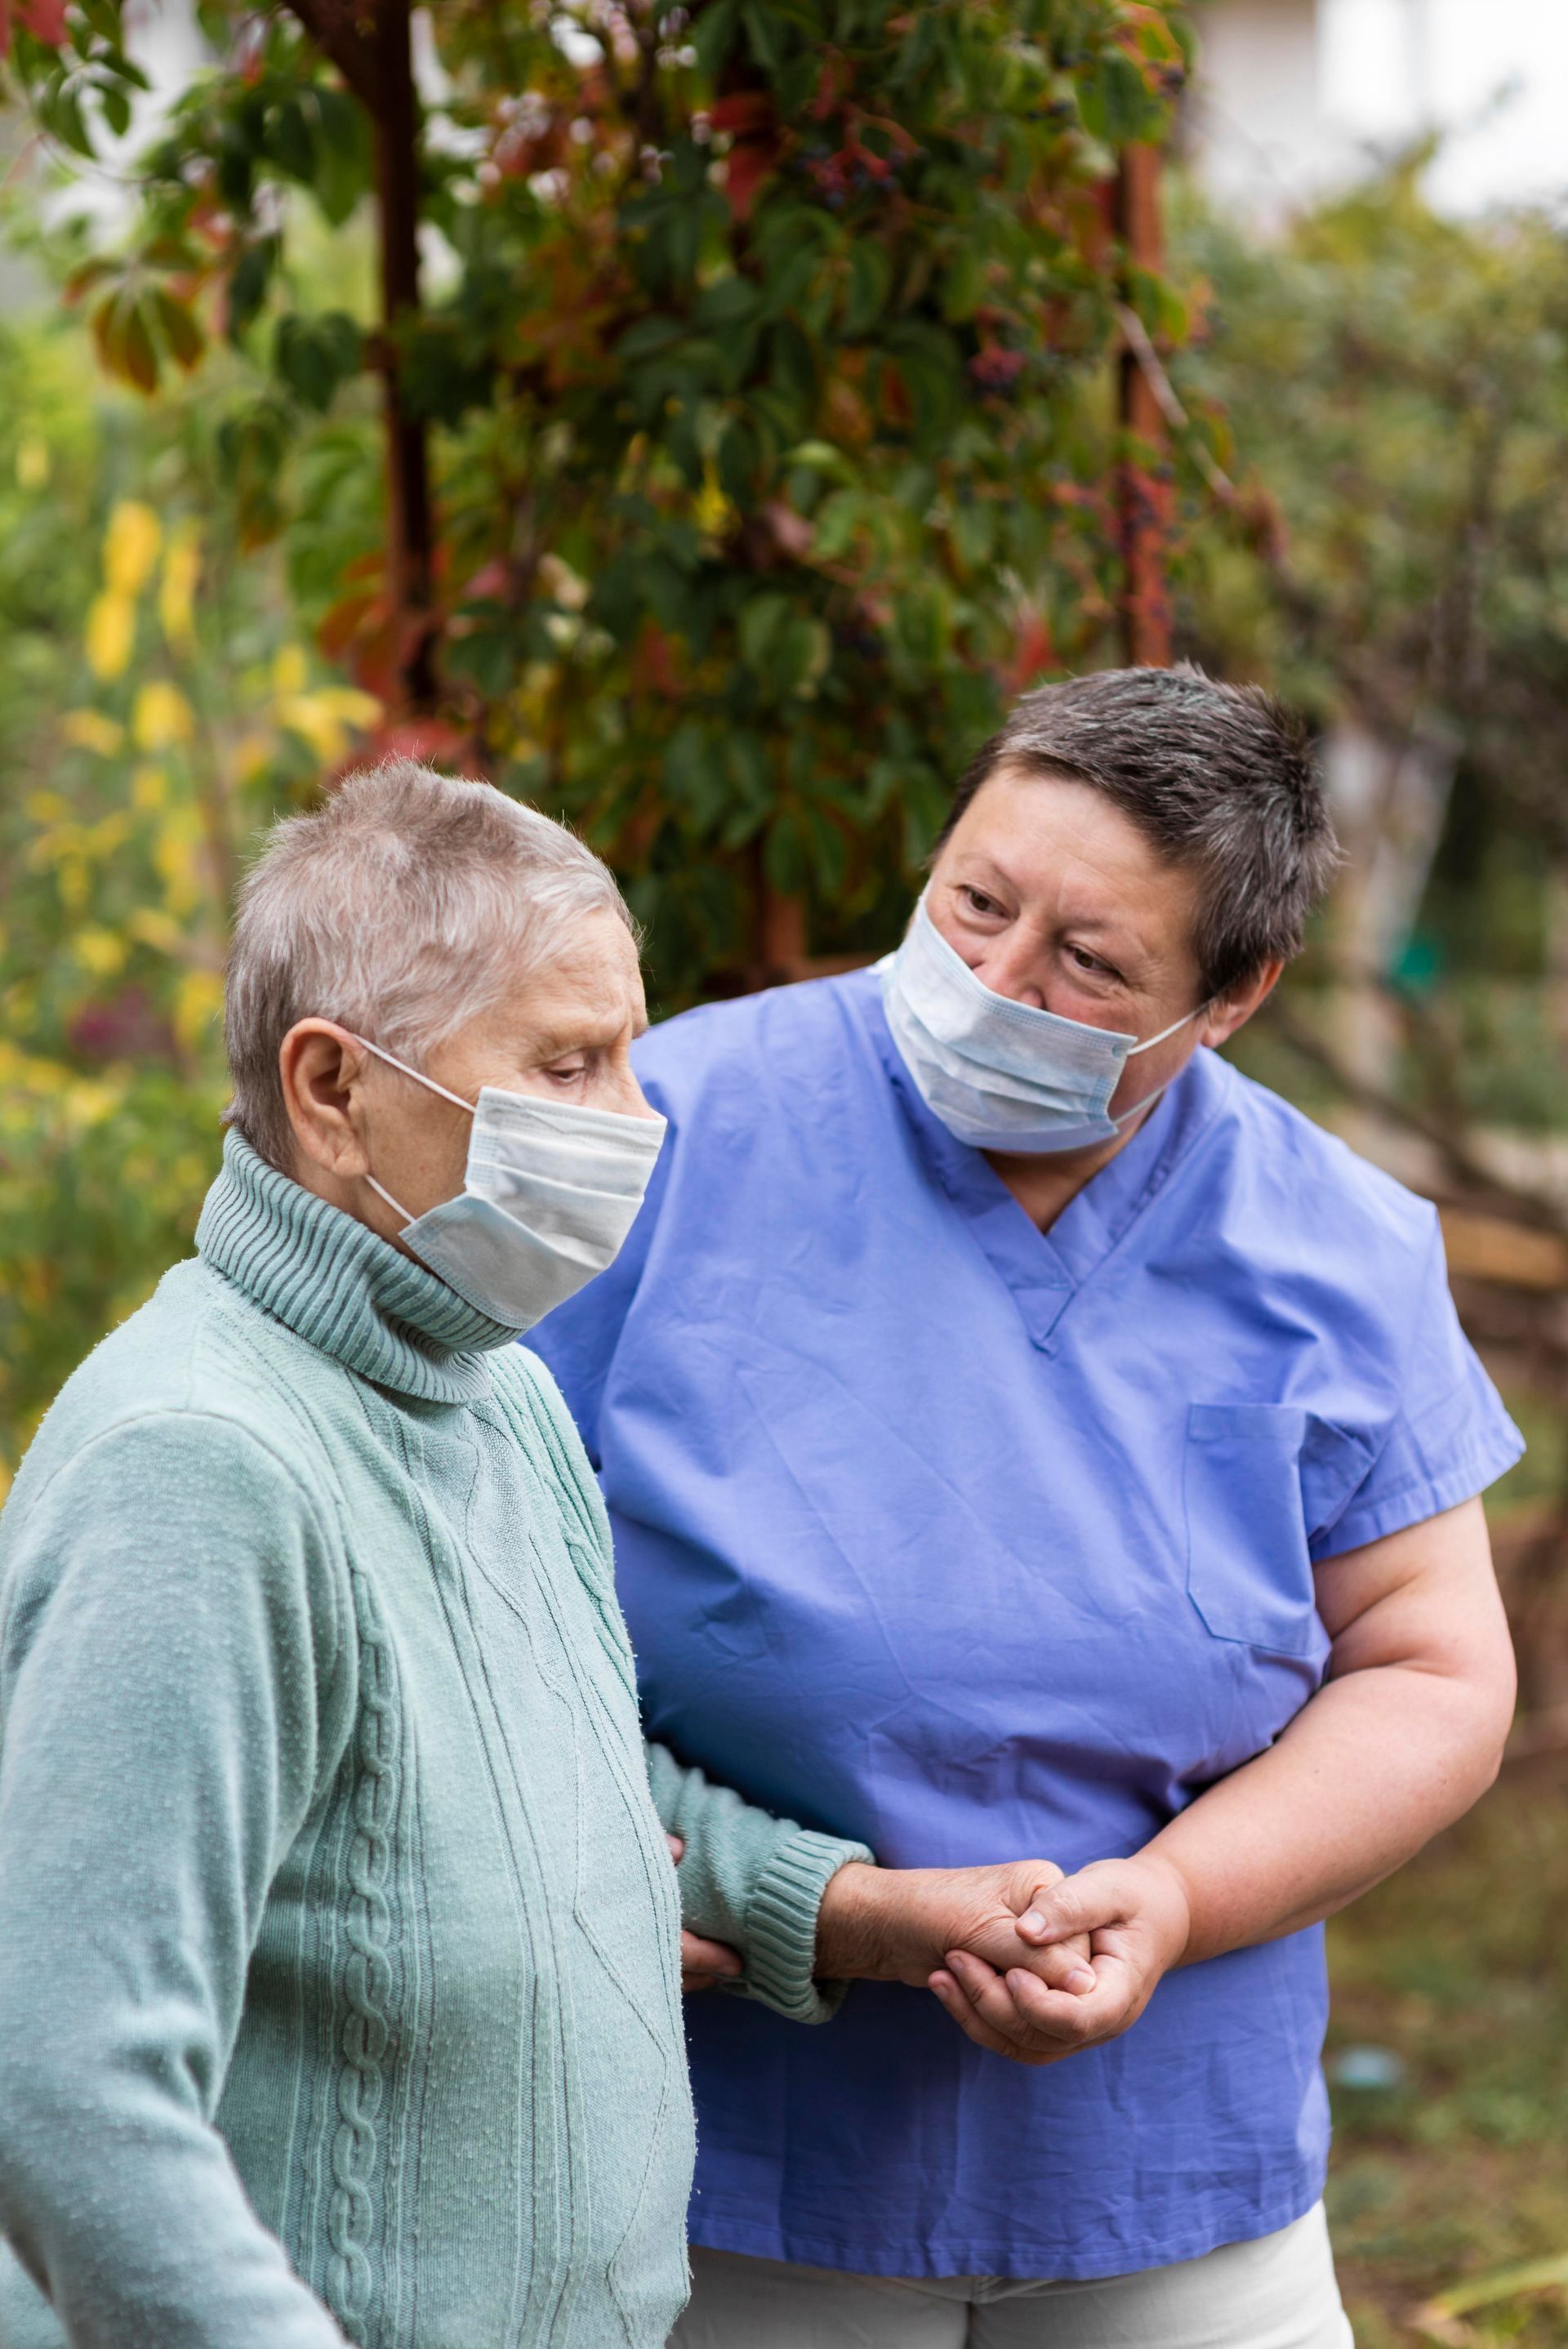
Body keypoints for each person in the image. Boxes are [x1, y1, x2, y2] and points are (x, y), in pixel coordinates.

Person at [0, 762, 1095, 2349]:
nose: (635, 1124)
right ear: (330, 1089)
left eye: (629, 1057)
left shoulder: (495, 1395)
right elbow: (64, 2080)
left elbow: (569, 1791)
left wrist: (867, 1914)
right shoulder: (202, 1468)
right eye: (566, 1065)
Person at [528, 666, 1523, 2349]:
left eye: (1090, 962)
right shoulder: (676, 1128)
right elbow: (469, 1602)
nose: (992, 980)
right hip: (739, 2152)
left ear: (1231, 995)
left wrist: (1179, 1898)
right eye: (975, 902)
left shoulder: (1333, 1248)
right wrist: (804, 1902)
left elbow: (1431, 1669)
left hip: (1169, 2166)